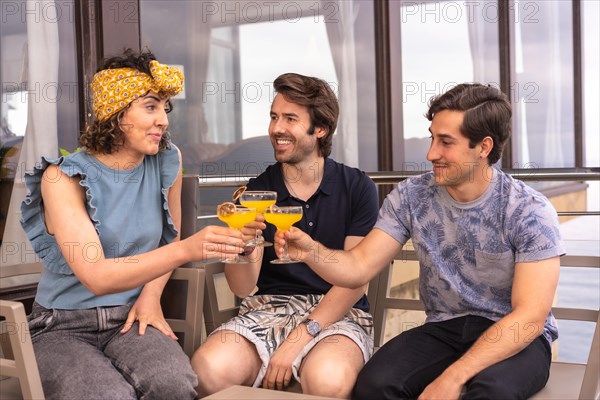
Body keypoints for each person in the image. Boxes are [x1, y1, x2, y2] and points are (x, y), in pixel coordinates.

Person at [278, 83, 565, 399]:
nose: (431, 154)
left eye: (446, 142)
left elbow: (529, 318)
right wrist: (311, 252)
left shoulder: (528, 210)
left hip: (515, 336)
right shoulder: (411, 197)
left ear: (483, 147)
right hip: (445, 330)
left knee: (489, 393)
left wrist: (452, 377)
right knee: (374, 386)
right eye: (432, 137)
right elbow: (358, 267)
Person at [20, 49, 245, 400]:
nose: (164, 122)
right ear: (115, 113)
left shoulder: (168, 160)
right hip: (61, 327)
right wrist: (187, 249)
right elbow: (96, 276)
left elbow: (165, 239)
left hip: (131, 317)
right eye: (151, 106)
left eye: (164, 109)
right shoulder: (61, 178)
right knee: (108, 395)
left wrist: (152, 295)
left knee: (174, 383)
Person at [191, 73, 379, 398]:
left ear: (319, 129)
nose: (277, 128)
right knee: (208, 370)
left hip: (338, 313)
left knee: (328, 381)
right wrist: (246, 245)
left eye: (290, 119)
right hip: (267, 308)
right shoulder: (256, 191)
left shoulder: (357, 188)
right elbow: (241, 287)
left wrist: (300, 336)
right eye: (274, 117)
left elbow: (355, 280)